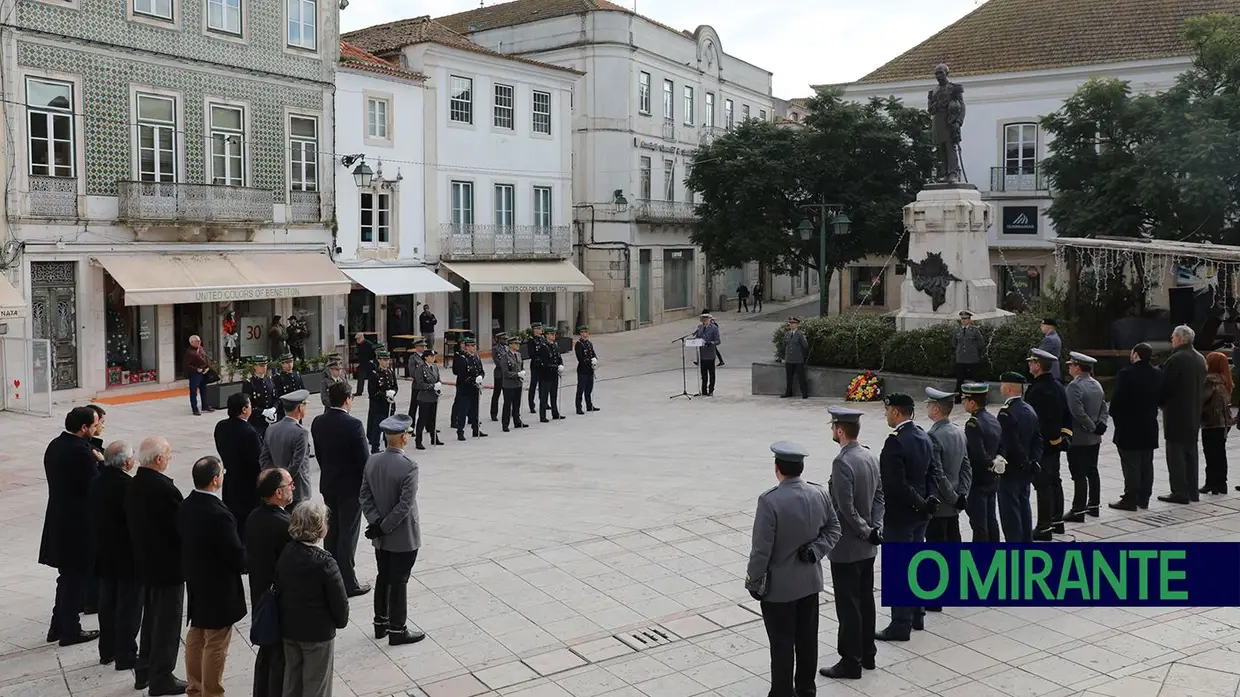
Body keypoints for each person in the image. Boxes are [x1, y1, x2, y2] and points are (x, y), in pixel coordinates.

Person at [744, 441, 841, 695]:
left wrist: (753, 581)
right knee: (808, 640)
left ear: (777, 468)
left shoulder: (769, 501)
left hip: (780, 590)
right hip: (810, 583)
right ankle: (807, 689)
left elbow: (761, 550)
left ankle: (782, 691)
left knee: (782, 643)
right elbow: (834, 528)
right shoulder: (819, 493)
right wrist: (816, 550)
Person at [820, 409, 882, 680]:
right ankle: (868, 654)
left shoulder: (842, 462)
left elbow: (845, 508)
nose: (832, 431)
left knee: (849, 605)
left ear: (840, 430)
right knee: (865, 600)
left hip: (848, 546)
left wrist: (865, 530)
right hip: (868, 545)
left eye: (833, 426)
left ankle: (850, 661)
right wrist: (875, 527)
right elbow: (880, 496)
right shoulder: (869, 455)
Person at [178, 456, 246, 697]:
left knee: (196, 635)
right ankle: (212, 692)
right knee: (216, 641)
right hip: (219, 584)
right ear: (216, 480)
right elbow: (234, 551)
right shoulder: (217, 513)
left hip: (197, 579)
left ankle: (195, 688)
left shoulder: (186, 505)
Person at [875, 393, 938, 641]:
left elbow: (896, 486)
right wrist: (930, 501)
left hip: (901, 515)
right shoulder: (923, 435)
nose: (886, 415)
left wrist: (921, 503)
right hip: (921, 515)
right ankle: (917, 615)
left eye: (887, 410)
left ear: (895, 412)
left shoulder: (895, 442)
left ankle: (900, 624)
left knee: (900, 568)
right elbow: (933, 473)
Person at [127, 437, 187, 695]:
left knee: (151, 617)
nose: (169, 460)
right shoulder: (163, 489)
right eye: (169, 456)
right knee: (167, 622)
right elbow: (181, 526)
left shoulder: (134, 484)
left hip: (145, 563)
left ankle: (144, 669)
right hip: (168, 566)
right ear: (159, 459)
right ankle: (162, 676)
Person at [360, 414, 426, 646]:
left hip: (380, 536)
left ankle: (381, 623)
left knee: (383, 576)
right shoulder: (409, 466)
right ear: (404, 437)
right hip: (402, 536)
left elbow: (364, 496)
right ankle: (398, 629)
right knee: (399, 580)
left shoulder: (372, 461)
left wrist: (376, 523)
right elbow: (404, 505)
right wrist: (385, 526)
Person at [39, 406, 102, 647]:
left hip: (60, 518)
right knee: (75, 577)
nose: (96, 428)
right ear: (84, 427)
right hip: (77, 524)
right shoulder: (79, 452)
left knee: (67, 576)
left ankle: (58, 625)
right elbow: (94, 486)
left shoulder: (56, 445)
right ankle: (70, 630)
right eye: (94, 425)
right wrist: (102, 463)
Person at [276, 501, 349, 697]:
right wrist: (339, 621)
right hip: (317, 634)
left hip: (290, 630)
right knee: (316, 687)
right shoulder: (326, 563)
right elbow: (340, 604)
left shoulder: (287, 552)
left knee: (292, 684)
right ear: (319, 528)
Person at [311, 381, 372, 597]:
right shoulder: (353, 424)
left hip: (329, 484)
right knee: (348, 533)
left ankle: (330, 575)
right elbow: (364, 461)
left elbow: (319, 455)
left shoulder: (318, 422)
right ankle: (348, 582)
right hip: (350, 488)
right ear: (347, 400)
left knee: (332, 532)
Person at [90, 441, 141, 669]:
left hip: (104, 552)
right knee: (128, 606)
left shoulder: (97, 481)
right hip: (126, 555)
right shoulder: (128, 486)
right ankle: (126, 654)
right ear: (126, 462)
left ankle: (107, 650)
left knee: (108, 602)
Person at [245, 469, 294, 697]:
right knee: (279, 659)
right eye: (290, 484)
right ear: (278, 492)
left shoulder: (254, 516)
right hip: (279, 601)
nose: (293, 488)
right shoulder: (285, 524)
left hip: (261, 594)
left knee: (266, 653)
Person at [1025, 347, 1071, 541]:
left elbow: (1043, 420)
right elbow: (1067, 415)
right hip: (1054, 443)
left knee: (1043, 485)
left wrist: (1052, 438)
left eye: (1031, 362)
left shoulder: (1039, 389)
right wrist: (1064, 437)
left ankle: (1044, 527)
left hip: (1044, 444)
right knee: (1055, 481)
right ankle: (1057, 521)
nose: (1029, 365)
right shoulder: (1057, 385)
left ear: (1037, 365)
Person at [1109, 343, 1162, 510]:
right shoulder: (1157, 373)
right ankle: (1144, 497)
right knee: (1147, 463)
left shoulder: (1126, 373)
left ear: (1136, 354)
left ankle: (1130, 498)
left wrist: (1115, 415)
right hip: (1149, 424)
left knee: (1131, 464)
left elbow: (1117, 400)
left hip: (1129, 426)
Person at [1159, 325, 1208, 504]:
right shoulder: (1200, 358)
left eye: (1173, 337)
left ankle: (1179, 492)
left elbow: (1166, 386)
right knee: (1191, 453)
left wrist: (1160, 402)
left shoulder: (1176, 359)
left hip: (1176, 413)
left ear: (1179, 339)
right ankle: (1192, 491)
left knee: (1176, 454)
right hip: (1194, 411)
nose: (1171, 339)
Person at [924, 388, 971, 556]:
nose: (927, 407)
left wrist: (953, 498)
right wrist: (962, 494)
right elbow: (966, 467)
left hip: (941, 505)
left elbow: (938, 474)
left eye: (929, 404)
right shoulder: (959, 431)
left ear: (936, 409)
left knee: (939, 553)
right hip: (955, 504)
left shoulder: (933, 435)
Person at [996, 373, 1040, 543]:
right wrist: (1034, 461)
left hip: (1013, 470)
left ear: (1008, 388)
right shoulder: (1029, 409)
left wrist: (1024, 462)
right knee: (1024, 508)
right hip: (1027, 469)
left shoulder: (1006, 413)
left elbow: (1011, 444)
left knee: (1010, 513)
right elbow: (1038, 439)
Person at [1064, 352, 1109, 521]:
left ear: (1077, 367)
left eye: (1071, 365)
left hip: (1079, 438)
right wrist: (1101, 425)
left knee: (1079, 474)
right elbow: (1104, 406)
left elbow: (1077, 412)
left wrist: (1091, 427)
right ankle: (1094, 505)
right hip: (1094, 438)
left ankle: (1078, 510)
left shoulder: (1074, 386)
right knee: (1092, 470)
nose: (1069, 367)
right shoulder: (1096, 383)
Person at [215, 392, 263, 537]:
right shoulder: (249, 432)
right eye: (249, 405)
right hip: (248, 485)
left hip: (230, 480)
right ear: (244, 409)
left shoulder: (221, 426)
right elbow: (257, 461)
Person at [961, 383, 1001, 542]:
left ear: (972, 402)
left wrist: (989, 464)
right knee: (991, 518)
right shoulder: (993, 419)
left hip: (978, 480)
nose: (963, 403)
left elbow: (977, 453)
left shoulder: (973, 423)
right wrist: (996, 463)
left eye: (964, 399)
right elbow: (1001, 445)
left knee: (979, 523)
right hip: (992, 479)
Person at [261, 390, 313, 512]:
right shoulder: (301, 432)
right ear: (299, 408)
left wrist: (275, 481)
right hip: (297, 490)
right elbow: (296, 464)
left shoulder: (271, 429)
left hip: (277, 490)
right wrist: (285, 483)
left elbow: (264, 459)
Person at [1202, 351, 1234, 495]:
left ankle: (1211, 483)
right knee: (1220, 453)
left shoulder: (1209, 380)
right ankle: (1222, 484)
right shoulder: (1226, 380)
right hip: (1225, 422)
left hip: (1211, 422)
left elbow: (1202, 399)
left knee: (1210, 453)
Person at [452, 337, 488, 440]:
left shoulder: (475, 357)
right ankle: (460, 431)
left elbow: (480, 370)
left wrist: (480, 377)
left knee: (475, 410)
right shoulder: (462, 358)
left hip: (475, 388)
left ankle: (476, 429)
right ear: (467, 347)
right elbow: (462, 374)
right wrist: (473, 380)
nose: (474, 348)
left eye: (474, 345)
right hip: (465, 388)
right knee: (463, 410)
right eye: (472, 346)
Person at [366, 348, 399, 452]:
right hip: (379, 406)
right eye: (384, 360)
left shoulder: (390, 372)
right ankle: (375, 448)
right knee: (377, 429)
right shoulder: (375, 373)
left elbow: (395, 386)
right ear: (379, 360)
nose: (386, 362)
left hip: (390, 405)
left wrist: (393, 392)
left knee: (389, 428)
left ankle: (389, 446)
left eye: (388, 360)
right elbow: (372, 392)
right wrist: (384, 394)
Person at [412, 348, 445, 449]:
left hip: (433, 397)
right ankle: (418, 441)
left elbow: (438, 379)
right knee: (422, 419)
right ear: (425, 357)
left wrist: (438, 386)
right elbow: (420, 384)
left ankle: (434, 438)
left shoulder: (435, 367)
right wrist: (432, 386)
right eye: (431, 356)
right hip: (424, 397)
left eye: (434, 356)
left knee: (432, 419)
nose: (433, 357)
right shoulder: (420, 369)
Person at [499, 334, 529, 431]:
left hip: (518, 383)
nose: (518, 345)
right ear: (510, 345)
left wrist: (523, 372)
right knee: (507, 405)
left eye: (518, 343)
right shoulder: (505, 356)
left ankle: (517, 421)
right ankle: (505, 424)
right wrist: (517, 374)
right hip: (508, 384)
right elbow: (505, 372)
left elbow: (521, 366)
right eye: (516, 344)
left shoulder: (519, 355)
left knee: (517, 404)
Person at [244, 355, 278, 439]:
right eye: (261, 365)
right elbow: (247, 403)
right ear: (255, 366)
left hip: (271, 419)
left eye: (265, 365)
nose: (264, 367)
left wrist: (273, 409)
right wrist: (263, 411)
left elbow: (276, 398)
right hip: (256, 421)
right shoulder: (249, 383)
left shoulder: (270, 380)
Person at [953, 311, 985, 401]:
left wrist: (976, 352)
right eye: (962, 319)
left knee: (977, 379)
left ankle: (982, 397)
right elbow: (954, 343)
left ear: (969, 320)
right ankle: (958, 398)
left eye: (966, 319)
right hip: (960, 359)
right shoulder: (957, 330)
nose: (963, 321)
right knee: (960, 380)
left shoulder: (974, 330)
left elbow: (981, 343)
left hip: (972, 359)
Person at [539, 326, 566, 422]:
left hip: (554, 375)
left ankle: (555, 413)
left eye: (554, 334)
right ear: (546, 335)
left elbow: (559, 358)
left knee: (554, 395)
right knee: (544, 396)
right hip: (546, 375)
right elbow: (545, 363)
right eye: (551, 334)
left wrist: (561, 365)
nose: (553, 336)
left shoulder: (555, 345)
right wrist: (556, 367)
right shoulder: (543, 346)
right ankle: (542, 416)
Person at [693, 313, 722, 396]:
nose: (704, 321)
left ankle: (711, 390)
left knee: (711, 374)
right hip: (702, 354)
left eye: (705, 319)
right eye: (702, 319)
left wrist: (710, 343)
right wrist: (696, 341)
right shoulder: (700, 328)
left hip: (710, 354)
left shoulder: (714, 328)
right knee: (703, 374)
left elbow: (718, 341)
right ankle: (704, 390)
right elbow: (697, 337)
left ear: (709, 319)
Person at [185, 335, 214, 416]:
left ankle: (205, 405)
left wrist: (208, 367)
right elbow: (186, 365)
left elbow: (205, 358)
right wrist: (196, 369)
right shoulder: (189, 352)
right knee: (193, 392)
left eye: (200, 341)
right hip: (195, 374)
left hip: (204, 372)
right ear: (192, 343)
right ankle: (195, 409)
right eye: (197, 341)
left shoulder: (200, 348)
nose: (199, 342)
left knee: (204, 389)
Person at [781, 317, 809, 399]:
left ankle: (804, 393)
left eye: (793, 323)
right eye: (790, 323)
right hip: (789, 359)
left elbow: (805, 346)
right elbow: (784, 345)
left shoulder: (800, 334)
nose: (792, 325)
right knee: (789, 377)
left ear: (797, 325)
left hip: (798, 359)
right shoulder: (787, 334)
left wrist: (802, 356)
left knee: (801, 377)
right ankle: (788, 392)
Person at [574, 325, 600, 414]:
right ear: (581, 333)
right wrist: (590, 360)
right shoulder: (579, 344)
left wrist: (595, 360)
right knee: (580, 389)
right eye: (584, 332)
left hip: (589, 370)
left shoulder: (589, 343)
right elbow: (580, 358)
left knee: (589, 389)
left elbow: (593, 353)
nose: (586, 334)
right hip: (582, 370)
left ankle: (589, 405)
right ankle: (578, 407)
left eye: (587, 332)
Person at [272, 354, 305, 421]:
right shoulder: (279, 378)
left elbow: (302, 389)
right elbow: (279, 395)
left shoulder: (297, 375)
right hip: (286, 409)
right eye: (287, 363)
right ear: (282, 364)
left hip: (297, 406)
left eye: (291, 362)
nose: (289, 364)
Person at [406, 339, 427, 426]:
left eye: (424, 346)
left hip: (426, 386)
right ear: (416, 347)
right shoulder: (413, 358)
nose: (423, 348)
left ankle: (428, 426)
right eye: (421, 346)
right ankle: (411, 427)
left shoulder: (426, 356)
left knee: (426, 407)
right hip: (417, 386)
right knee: (413, 407)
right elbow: (413, 372)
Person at [526, 324, 546, 414]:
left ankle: (543, 403)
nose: (540, 330)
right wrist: (538, 360)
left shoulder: (542, 338)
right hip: (535, 365)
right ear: (535, 330)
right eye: (539, 329)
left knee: (543, 385)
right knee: (533, 386)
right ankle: (531, 405)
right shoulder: (531, 340)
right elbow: (531, 353)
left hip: (543, 366)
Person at [490, 332, 507, 423]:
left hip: (507, 374)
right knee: (496, 394)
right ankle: (493, 413)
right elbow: (497, 361)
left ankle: (508, 411)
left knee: (507, 394)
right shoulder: (495, 349)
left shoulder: (507, 348)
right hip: (499, 373)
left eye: (506, 339)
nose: (505, 341)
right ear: (499, 339)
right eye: (503, 339)